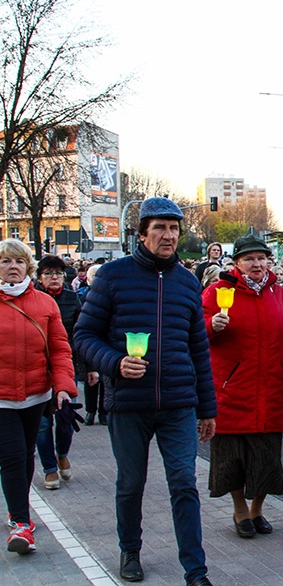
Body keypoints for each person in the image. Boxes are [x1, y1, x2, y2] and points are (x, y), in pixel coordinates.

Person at [74, 197, 217, 586]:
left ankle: (195, 568)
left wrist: (207, 408)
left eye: (174, 229)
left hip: (178, 403)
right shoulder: (112, 276)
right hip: (128, 402)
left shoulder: (188, 282)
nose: (168, 236)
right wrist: (114, 362)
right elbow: (83, 336)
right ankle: (130, 550)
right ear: (142, 234)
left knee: (184, 483)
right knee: (130, 483)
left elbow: (199, 350)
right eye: (160, 229)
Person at [202, 234, 283, 538]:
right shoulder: (218, 292)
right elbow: (195, 335)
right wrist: (210, 327)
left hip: (269, 388)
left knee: (265, 456)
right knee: (232, 459)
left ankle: (257, 510)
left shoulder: (279, 295)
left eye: (261, 258)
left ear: (268, 261)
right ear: (237, 263)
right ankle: (240, 511)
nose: (256, 264)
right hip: (231, 389)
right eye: (249, 259)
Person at [1, 239, 78, 555]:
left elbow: (60, 348)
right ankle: (21, 523)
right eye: (5, 261)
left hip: (36, 396)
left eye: (18, 261)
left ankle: (16, 509)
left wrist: (63, 386)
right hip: (2, 398)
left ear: (28, 267)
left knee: (26, 454)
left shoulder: (46, 304)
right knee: (14, 455)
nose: (13, 267)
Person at [34, 256, 95, 490]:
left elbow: (83, 335)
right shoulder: (33, 300)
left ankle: (62, 453)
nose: (54, 278)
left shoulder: (73, 299)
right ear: (39, 277)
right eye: (48, 273)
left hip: (66, 366)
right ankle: (49, 468)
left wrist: (91, 368)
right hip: (39, 369)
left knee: (66, 418)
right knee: (41, 423)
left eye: (58, 273)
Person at [80, 265, 106, 426]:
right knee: (91, 381)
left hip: (106, 343)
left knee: (105, 383)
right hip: (91, 344)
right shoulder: (84, 297)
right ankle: (90, 411)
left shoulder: (109, 295)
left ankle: (103, 413)